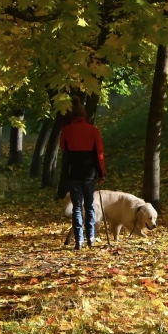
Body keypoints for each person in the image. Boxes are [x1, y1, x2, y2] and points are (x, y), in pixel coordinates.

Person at [60, 96, 106, 250]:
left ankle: (79, 240)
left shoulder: (66, 130)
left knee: (77, 208)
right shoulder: (93, 130)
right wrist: (101, 174)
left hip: (74, 173)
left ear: (72, 115)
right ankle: (91, 237)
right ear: (84, 115)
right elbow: (99, 154)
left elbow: (63, 149)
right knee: (90, 206)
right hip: (89, 174)